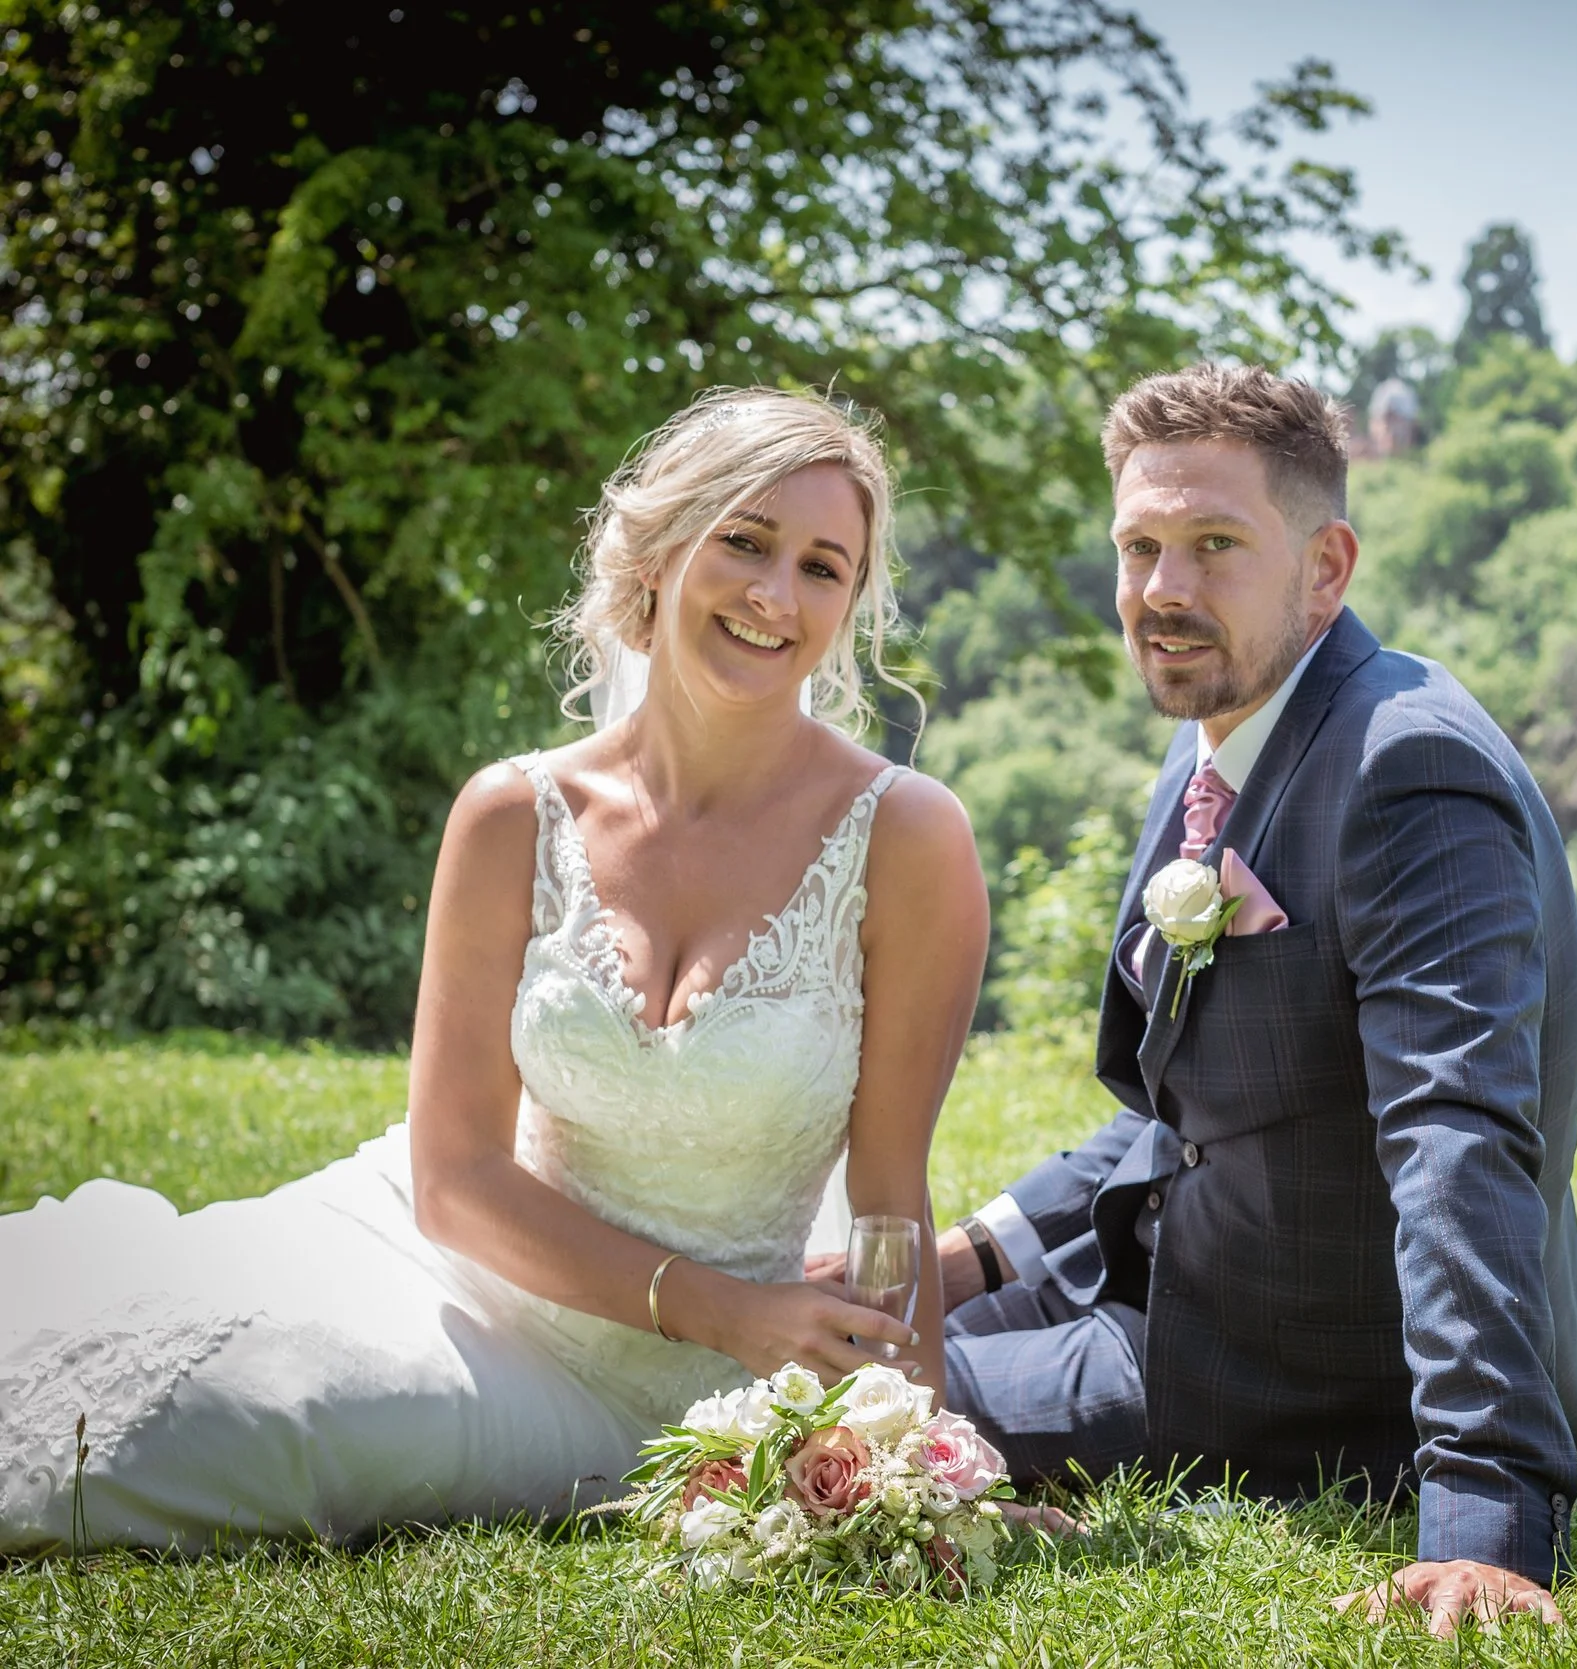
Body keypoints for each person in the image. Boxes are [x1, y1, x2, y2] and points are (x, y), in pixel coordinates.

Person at [0, 387, 987, 1552]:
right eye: (745, 540)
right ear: (662, 549)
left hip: (667, 1388)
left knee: (242, 1422)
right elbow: (454, 1180)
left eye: (825, 567)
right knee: (150, 1336)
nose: (777, 595)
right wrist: (725, 1304)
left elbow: (888, 1198)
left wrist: (913, 1462)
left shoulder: (906, 836)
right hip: (454, 1262)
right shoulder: (512, 813)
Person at [916, 363, 1577, 1635]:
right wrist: (963, 1256)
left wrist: (1484, 1519)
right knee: (857, 1318)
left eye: (1214, 546)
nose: (1162, 592)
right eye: (1141, 547)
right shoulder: (1223, 730)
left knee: (852, 1395)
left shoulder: (1407, 767)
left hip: (1297, 1375)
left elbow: (1459, 1135)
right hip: (1172, 1271)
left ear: (1326, 565)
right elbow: (1183, 1114)